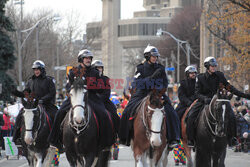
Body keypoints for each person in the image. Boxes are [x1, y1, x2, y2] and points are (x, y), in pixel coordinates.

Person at [48, 49, 114, 151]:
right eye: (86, 58)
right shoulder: (73, 71)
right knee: (60, 112)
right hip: (76, 97)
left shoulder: (95, 72)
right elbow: (68, 86)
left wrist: (89, 85)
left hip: (91, 97)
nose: (88, 60)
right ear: (81, 59)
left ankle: (105, 142)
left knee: (104, 114)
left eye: (89, 58)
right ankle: (55, 140)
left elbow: (100, 87)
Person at [119, 45, 180, 147]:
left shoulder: (160, 68)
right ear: (147, 57)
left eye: (156, 56)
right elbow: (137, 83)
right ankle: (124, 137)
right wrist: (151, 78)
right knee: (127, 111)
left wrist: (159, 90)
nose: (155, 58)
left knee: (171, 111)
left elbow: (164, 83)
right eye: (153, 56)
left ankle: (173, 138)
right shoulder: (140, 68)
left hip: (157, 94)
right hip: (142, 93)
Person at [186, 57, 250, 147]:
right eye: (212, 66)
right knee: (191, 115)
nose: (214, 67)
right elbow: (197, 93)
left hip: (219, 100)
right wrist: (205, 99)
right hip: (205, 101)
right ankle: (191, 139)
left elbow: (229, 87)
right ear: (207, 66)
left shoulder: (220, 75)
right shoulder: (200, 77)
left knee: (232, 115)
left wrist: (245, 95)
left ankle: (232, 138)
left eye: (215, 66)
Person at [11, 60, 58, 144]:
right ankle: (16, 138)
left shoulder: (49, 80)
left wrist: (42, 100)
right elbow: (25, 93)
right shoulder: (30, 81)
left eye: (38, 69)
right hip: (32, 106)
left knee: (56, 116)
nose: (36, 71)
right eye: (35, 69)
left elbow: (52, 93)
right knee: (20, 116)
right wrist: (16, 92)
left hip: (47, 105)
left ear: (42, 70)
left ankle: (58, 139)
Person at [91, 60, 120, 135]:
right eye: (97, 68)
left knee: (113, 111)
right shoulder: (90, 79)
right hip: (91, 101)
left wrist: (99, 99)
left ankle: (116, 133)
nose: (99, 70)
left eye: (100, 68)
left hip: (104, 101)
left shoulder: (105, 79)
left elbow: (107, 92)